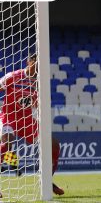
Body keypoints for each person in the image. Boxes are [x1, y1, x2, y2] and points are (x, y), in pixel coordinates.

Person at [0, 54, 64, 196]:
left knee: (53, 144)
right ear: (29, 62)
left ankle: (47, 180)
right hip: (9, 118)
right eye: (36, 62)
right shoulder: (13, 76)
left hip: (27, 120)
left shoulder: (38, 83)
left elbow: (35, 105)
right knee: (7, 143)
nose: (39, 66)